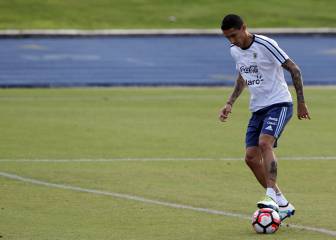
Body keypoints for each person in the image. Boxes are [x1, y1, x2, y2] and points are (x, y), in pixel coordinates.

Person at [219, 14, 310, 221]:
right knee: (250, 158)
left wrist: (301, 102)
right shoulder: (235, 51)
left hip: (279, 104)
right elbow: (243, 76)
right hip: (258, 108)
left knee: (264, 143)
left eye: (234, 35)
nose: (232, 41)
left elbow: (294, 69)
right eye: (228, 38)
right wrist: (230, 103)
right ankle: (282, 202)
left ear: (244, 28)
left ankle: (269, 195)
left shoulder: (266, 44)